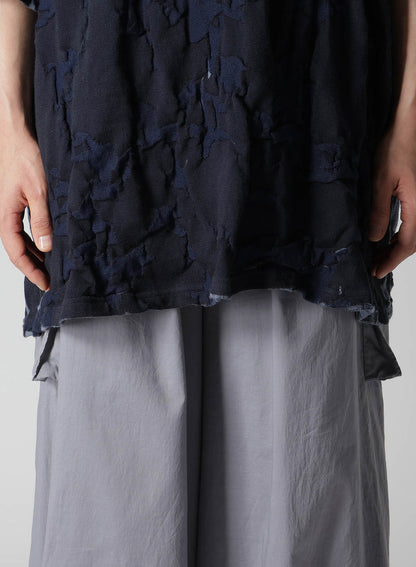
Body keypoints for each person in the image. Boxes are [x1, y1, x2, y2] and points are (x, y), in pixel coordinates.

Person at [0, 0, 414, 565]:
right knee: (110, 535)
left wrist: (410, 118)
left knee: (305, 512)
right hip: (104, 143)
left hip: (309, 136)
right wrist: (9, 122)